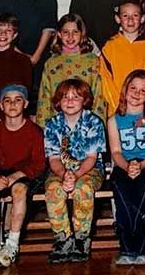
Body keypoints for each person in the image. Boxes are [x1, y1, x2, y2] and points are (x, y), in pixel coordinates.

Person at [0, 84, 45, 269]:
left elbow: (39, 164)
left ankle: (12, 243)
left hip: (25, 174)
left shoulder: (34, 132)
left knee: (19, 190)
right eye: (7, 100)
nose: (12, 104)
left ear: (26, 104)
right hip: (0, 174)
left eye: (18, 100)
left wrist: (16, 176)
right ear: (1, 106)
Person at [43, 79, 106, 263]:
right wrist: (64, 175)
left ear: (84, 100)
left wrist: (76, 175)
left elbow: (92, 158)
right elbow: (53, 159)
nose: (70, 101)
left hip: (89, 169)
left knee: (82, 189)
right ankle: (62, 239)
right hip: (60, 170)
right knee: (54, 189)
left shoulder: (94, 122)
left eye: (75, 97)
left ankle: (81, 238)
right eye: (65, 97)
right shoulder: (52, 125)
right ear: (58, 101)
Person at [107, 70, 145, 265]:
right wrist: (127, 166)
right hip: (124, 165)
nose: (137, 94)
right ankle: (126, 247)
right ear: (125, 90)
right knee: (121, 191)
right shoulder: (114, 120)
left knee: (143, 191)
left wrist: (141, 165)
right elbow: (115, 152)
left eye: (143, 90)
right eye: (133, 88)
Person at [0, 0, 58, 114]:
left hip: (38, 61)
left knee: (36, 108)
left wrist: (35, 58)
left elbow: (48, 29)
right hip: (11, 58)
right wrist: (18, 54)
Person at [36, 13, 107, 128]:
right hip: (58, 126)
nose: (70, 37)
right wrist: (42, 127)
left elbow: (99, 96)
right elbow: (44, 98)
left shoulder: (92, 61)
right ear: (59, 34)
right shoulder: (51, 63)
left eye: (75, 32)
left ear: (82, 34)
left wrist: (98, 125)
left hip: (87, 125)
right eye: (65, 32)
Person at [99, 1, 145, 115]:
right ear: (118, 19)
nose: (130, 20)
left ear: (142, 19)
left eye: (135, 15)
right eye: (125, 16)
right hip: (118, 110)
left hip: (143, 111)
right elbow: (105, 81)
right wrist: (119, 106)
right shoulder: (110, 47)